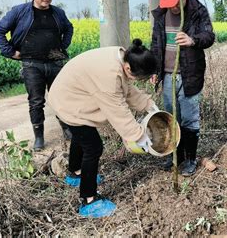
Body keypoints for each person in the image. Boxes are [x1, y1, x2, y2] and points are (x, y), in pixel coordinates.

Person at [47, 39, 158, 218]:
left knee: (80, 135)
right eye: (141, 78)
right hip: (68, 101)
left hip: (71, 94)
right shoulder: (109, 74)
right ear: (129, 69)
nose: (140, 81)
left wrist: (148, 105)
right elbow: (118, 110)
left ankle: (75, 173)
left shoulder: (123, 57)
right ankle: (88, 200)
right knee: (93, 146)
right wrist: (139, 136)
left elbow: (127, 89)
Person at [0, 0, 74, 151]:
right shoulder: (19, 11)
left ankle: (67, 129)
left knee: (61, 98)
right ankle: (39, 136)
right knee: (36, 102)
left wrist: (62, 46)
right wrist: (10, 52)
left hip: (55, 62)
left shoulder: (58, 13)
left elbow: (69, 29)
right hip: (31, 64)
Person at [150, 0, 215, 176]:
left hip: (190, 75)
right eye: (169, 5)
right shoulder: (161, 15)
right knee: (171, 118)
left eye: (176, 4)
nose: (173, 8)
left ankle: (190, 158)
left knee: (189, 120)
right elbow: (155, 44)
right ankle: (174, 155)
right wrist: (155, 69)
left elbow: (209, 36)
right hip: (168, 76)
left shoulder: (197, 11)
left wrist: (192, 40)